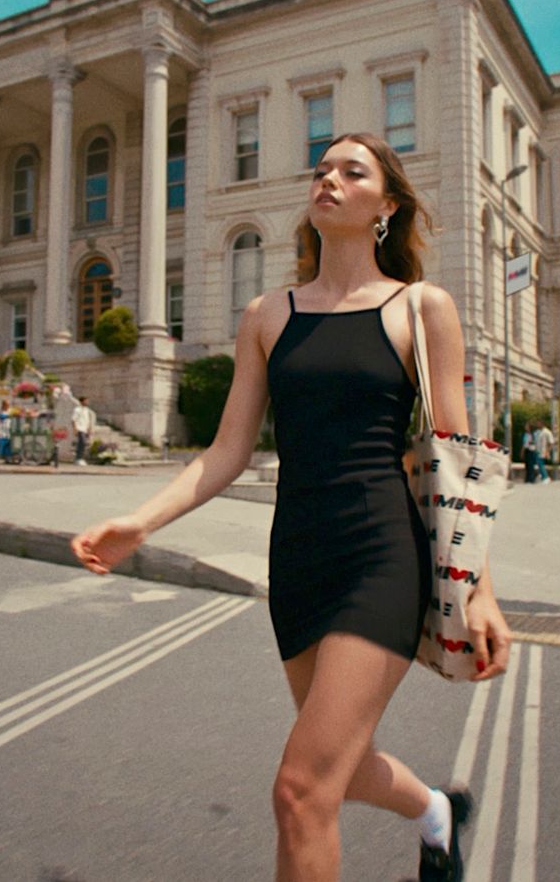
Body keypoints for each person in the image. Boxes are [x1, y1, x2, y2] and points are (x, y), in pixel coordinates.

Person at [71, 132, 511, 882]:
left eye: (352, 171)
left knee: (300, 790)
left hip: (382, 556)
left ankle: (435, 815)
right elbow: (225, 453)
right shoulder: (267, 316)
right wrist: (139, 523)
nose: (329, 179)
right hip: (300, 556)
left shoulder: (421, 308)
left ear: (387, 206)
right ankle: (438, 813)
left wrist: (479, 590)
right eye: (322, 169)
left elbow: (459, 461)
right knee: (339, 760)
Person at [71, 396, 95, 465]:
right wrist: (75, 429)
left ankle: (80, 458)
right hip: (79, 428)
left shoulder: (86, 410)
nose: (87, 402)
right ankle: (78, 458)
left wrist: (89, 429)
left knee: (82, 444)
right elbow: (73, 420)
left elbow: (87, 420)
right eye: (85, 401)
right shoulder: (77, 410)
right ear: (81, 402)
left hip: (85, 429)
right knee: (82, 442)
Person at [531, 420, 554, 484]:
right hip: (537, 450)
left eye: (539, 423)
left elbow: (551, 443)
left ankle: (546, 477)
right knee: (538, 464)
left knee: (541, 464)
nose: (538, 425)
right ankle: (542, 476)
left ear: (542, 424)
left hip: (543, 451)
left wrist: (548, 451)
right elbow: (535, 440)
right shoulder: (537, 432)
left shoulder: (547, 432)